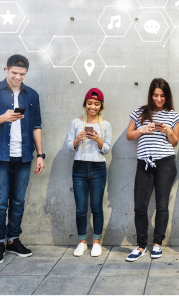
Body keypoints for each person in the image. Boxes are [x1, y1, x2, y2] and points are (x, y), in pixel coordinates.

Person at [0, 54, 45, 265]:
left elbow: (37, 125)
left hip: (23, 157)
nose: (18, 77)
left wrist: (40, 154)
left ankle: (13, 240)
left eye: (22, 74)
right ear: (5, 69)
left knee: (18, 202)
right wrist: (3, 118)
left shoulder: (31, 95)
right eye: (14, 73)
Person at [125, 78, 179, 262]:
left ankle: (157, 244)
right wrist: (142, 130)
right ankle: (141, 245)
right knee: (140, 206)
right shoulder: (140, 112)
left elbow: (175, 142)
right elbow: (129, 136)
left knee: (162, 205)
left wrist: (168, 131)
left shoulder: (173, 115)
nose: (159, 99)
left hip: (165, 163)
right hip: (145, 163)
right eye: (156, 95)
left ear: (167, 96)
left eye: (162, 96)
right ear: (151, 94)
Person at [66, 88, 112, 257]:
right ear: (85, 104)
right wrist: (78, 139)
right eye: (90, 103)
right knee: (81, 208)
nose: (93, 107)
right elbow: (69, 147)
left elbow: (107, 149)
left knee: (97, 207)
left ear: (101, 106)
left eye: (96, 104)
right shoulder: (75, 123)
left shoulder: (105, 124)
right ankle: (82, 242)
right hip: (79, 168)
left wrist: (99, 140)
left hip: (98, 168)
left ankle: (97, 242)